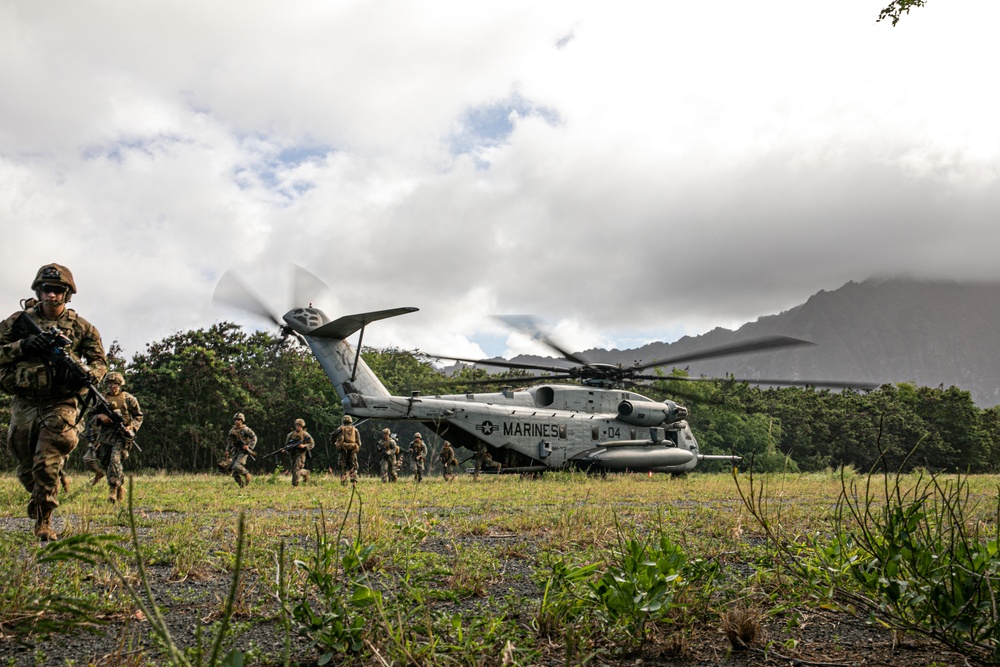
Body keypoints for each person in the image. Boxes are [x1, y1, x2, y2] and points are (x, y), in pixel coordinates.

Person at [0, 263, 108, 540]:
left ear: (67, 294)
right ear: (39, 290)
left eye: (58, 290)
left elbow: (99, 363)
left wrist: (87, 376)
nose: (52, 295)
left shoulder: (82, 328)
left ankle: (44, 523)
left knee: (46, 463)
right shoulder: (16, 322)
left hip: (60, 402)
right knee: (26, 468)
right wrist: (23, 346)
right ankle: (41, 495)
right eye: (47, 289)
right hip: (24, 402)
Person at [87, 371, 143, 503]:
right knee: (106, 462)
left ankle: (112, 490)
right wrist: (100, 417)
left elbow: (138, 416)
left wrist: (131, 427)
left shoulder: (128, 399)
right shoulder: (101, 400)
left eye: (116, 384)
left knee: (115, 460)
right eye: (110, 384)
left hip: (122, 436)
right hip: (106, 436)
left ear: (120, 385)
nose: (113, 386)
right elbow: (89, 416)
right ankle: (121, 486)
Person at [226, 412, 257, 487]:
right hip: (235, 451)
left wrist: (248, 446)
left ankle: (246, 474)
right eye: (235, 420)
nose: (237, 421)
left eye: (239, 419)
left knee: (237, 466)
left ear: (242, 420)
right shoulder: (232, 431)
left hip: (243, 451)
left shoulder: (246, 429)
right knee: (233, 470)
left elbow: (254, 438)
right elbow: (230, 441)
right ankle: (242, 486)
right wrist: (227, 450)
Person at [286, 418, 314, 486]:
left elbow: (312, 443)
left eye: (300, 425)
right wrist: (286, 449)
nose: (298, 427)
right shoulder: (290, 435)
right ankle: (305, 472)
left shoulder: (305, 434)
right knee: (293, 470)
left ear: (302, 426)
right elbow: (287, 445)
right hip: (293, 454)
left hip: (301, 454)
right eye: (297, 425)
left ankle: (294, 485)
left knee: (297, 470)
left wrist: (304, 446)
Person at [333, 415, 360, 484]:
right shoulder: (355, 429)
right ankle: (354, 481)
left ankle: (343, 482)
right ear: (350, 421)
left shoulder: (340, 429)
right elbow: (359, 441)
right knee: (353, 466)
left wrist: (336, 444)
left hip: (343, 451)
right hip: (353, 450)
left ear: (343, 421)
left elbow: (332, 437)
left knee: (343, 467)